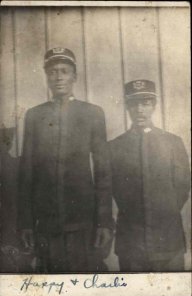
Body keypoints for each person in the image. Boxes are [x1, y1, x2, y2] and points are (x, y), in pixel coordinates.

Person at [18, 47, 113, 273]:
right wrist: (25, 223)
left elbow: (103, 171)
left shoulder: (92, 113)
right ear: (47, 77)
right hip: (46, 223)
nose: (58, 77)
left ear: (74, 76)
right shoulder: (35, 115)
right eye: (52, 72)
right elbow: (27, 172)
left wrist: (104, 222)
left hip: (83, 222)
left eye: (64, 71)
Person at [109, 79, 190, 272]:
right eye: (134, 104)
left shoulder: (172, 143)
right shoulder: (114, 147)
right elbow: (114, 190)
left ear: (154, 105)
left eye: (145, 103)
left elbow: (182, 187)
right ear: (127, 107)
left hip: (168, 238)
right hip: (131, 241)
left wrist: (163, 209)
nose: (140, 110)